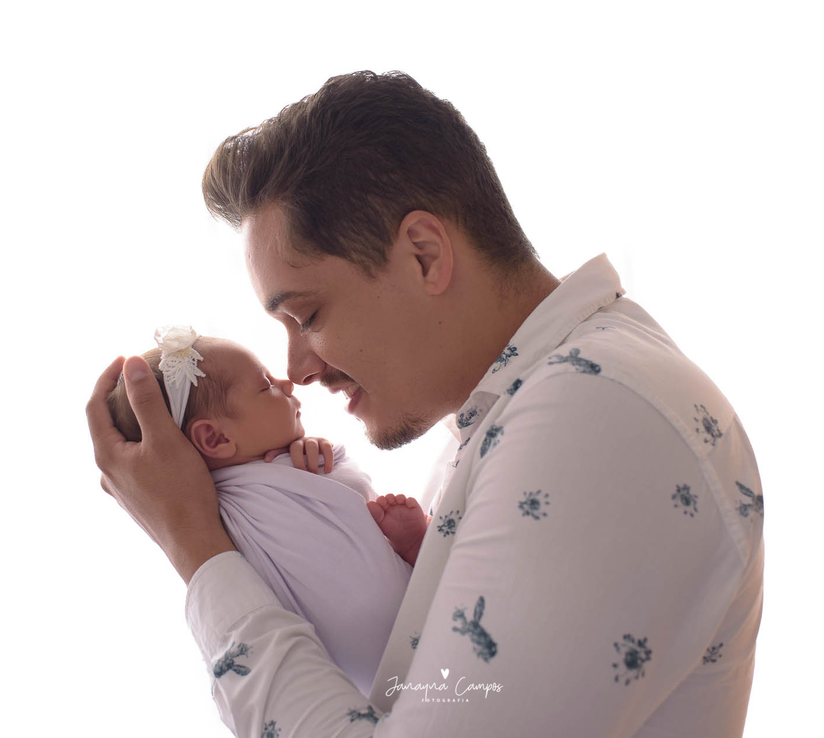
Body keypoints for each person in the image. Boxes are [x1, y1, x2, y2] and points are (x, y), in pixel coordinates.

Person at [86, 70, 764, 736]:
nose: (297, 369)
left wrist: (197, 546)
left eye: (308, 316)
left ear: (423, 256)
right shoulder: (519, 417)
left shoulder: (593, 416)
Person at [105, 326, 429, 695]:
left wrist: (316, 452)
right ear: (215, 438)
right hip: (370, 665)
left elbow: (348, 497)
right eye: (266, 385)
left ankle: (415, 548)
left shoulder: (291, 463)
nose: (287, 383)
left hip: (403, 619)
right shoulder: (211, 513)